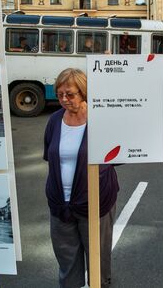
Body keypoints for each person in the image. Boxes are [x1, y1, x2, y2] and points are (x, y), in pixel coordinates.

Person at [43, 68, 119, 288]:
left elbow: (117, 155)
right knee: (67, 263)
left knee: (98, 261)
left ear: (83, 92)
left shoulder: (100, 117)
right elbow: (51, 155)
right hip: (60, 205)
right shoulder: (55, 120)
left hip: (95, 203)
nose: (64, 100)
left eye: (70, 94)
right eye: (59, 95)